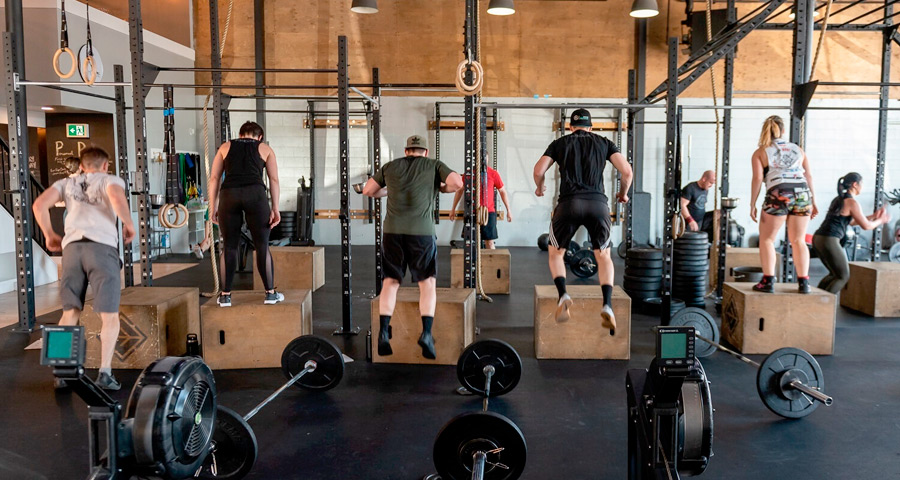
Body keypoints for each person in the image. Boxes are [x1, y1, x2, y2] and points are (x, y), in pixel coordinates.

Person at [33, 147, 136, 391]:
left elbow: (39, 205)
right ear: (104, 166)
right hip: (101, 249)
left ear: (81, 165)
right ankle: (105, 373)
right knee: (109, 316)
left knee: (69, 313)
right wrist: (129, 224)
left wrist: (49, 235)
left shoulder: (65, 183)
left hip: (72, 250)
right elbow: (116, 196)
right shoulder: (110, 179)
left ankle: (62, 373)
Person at [362, 135, 463, 359]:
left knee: (390, 282)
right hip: (422, 234)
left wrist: (388, 191)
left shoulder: (390, 166)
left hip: (392, 233)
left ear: (406, 150)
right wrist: (440, 187)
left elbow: (368, 190)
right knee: (427, 284)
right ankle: (426, 333)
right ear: (425, 152)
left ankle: (384, 332)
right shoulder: (433, 164)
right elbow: (457, 183)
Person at [533, 109, 633, 328]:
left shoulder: (559, 143)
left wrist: (539, 187)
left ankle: (563, 295)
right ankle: (607, 304)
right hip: (597, 204)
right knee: (604, 255)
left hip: (568, 204)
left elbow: (539, 169)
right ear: (591, 126)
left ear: (571, 127)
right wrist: (623, 194)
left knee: (556, 253)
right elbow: (626, 171)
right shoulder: (604, 142)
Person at [208, 121, 282, 307]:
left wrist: (213, 207)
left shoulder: (225, 147)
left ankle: (225, 296)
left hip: (229, 195)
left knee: (230, 246)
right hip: (255, 195)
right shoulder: (265, 148)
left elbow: (215, 178)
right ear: (259, 137)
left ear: (240, 135)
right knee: (262, 246)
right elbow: (273, 179)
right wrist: (275, 208)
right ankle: (270, 294)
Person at [749, 115, 818, 294]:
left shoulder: (760, 152)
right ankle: (804, 284)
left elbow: (757, 178)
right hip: (802, 192)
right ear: (783, 131)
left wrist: (752, 204)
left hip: (779, 191)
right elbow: (808, 175)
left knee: (767, 239)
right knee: (799, 240)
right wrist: (814, 201)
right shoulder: (797, 149)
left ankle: (768, 281)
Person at [813, 173, 891, 294]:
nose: (862, 187)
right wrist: (881, 220)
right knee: (843, 276)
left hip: (819, 238)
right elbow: (866, 226)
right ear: (855, 184)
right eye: (862, 184)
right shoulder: (852, 202)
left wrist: (873, 216)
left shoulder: (840, 198)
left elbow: (852, 221)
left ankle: (816, 301)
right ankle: (823, 304)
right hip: (829, 240)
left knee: (834, 274)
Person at [449, 162, 512, 249]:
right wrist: (453, 209)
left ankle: (491, 262)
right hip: (472, 212)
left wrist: (509, 210)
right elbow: (459, 191)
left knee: (489, 243)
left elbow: (502, 191)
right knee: (469, 243)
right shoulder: (469, 174)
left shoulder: (493, 173)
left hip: (488, 213)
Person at [681, 170, 717, 238]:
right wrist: (690, 220)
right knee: (690, 243)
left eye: (713, 183)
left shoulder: (706, 189)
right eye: (710, 183)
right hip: (689, 222)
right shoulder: (690, 188)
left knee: (719, 213)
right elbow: (682, 205)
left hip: (701, 220)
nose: (711, 185)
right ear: (704, 179)